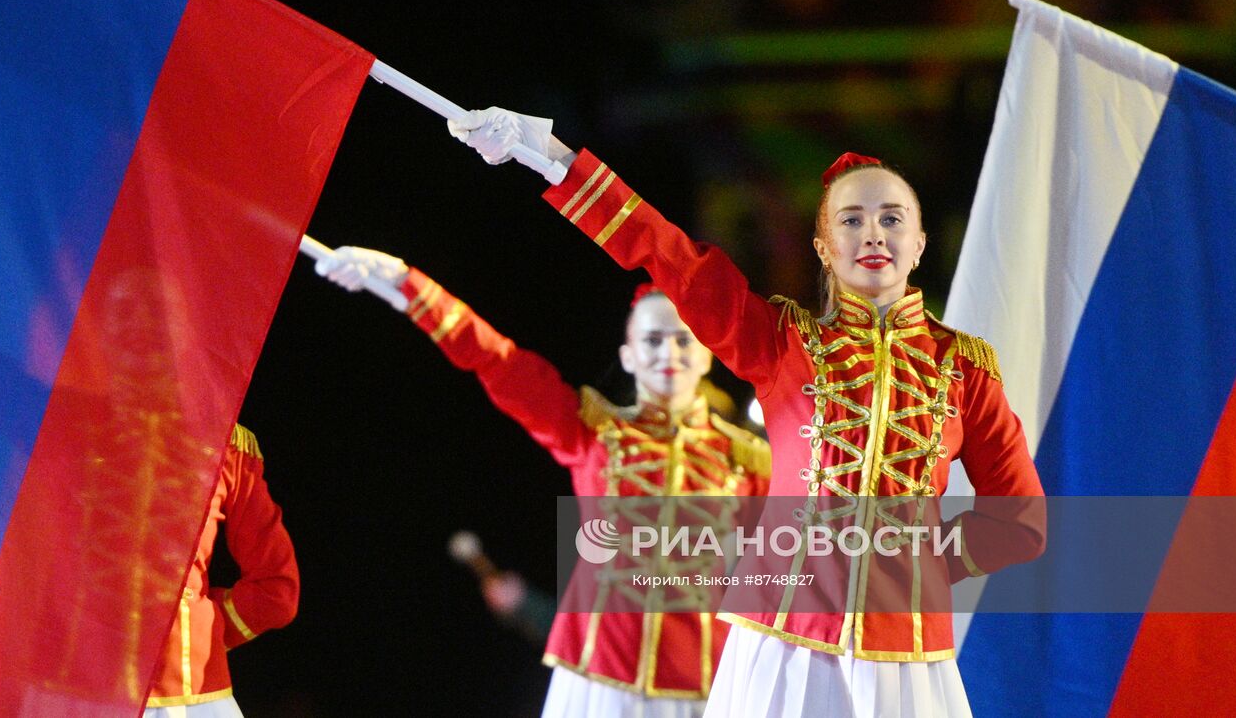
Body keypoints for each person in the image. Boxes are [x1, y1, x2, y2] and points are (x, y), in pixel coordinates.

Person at [443, 108, 1046, 718]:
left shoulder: (966, 368)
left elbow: (1023, 520)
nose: (873, 235)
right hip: (779, 639)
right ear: (823, 248)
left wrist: (926, 561)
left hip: (904, 649)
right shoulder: (782, 341)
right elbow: (671, 257)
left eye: (892, 219)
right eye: (851, 220)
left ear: (919, 243)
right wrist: (552, 157)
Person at [318, 249, 771, 717]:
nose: (669, 354)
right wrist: (408, 286)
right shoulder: (594, 432)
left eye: (683, 340)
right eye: (652, 341)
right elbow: (500, 363)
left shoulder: (750, 460)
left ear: (707, 355)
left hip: (707, 681)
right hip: (599, 675)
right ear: (628, 356)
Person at [143, 423, 300, 717]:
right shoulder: (226, 443)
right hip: (187, 690)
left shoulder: (57, 427)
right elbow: (276, 596)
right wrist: (196, 627)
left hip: (63, 683)